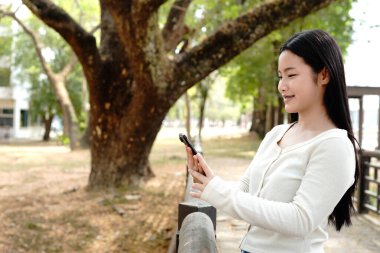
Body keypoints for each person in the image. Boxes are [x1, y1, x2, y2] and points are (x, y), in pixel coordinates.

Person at [185, 29, 359, 253]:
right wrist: (208, 179)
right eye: (280, 76)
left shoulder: (335, 146)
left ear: (323, 75)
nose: (281, 85)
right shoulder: (276, 134)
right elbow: (244, 192)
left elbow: (300, 219)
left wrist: (218, 192)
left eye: (291, 75)